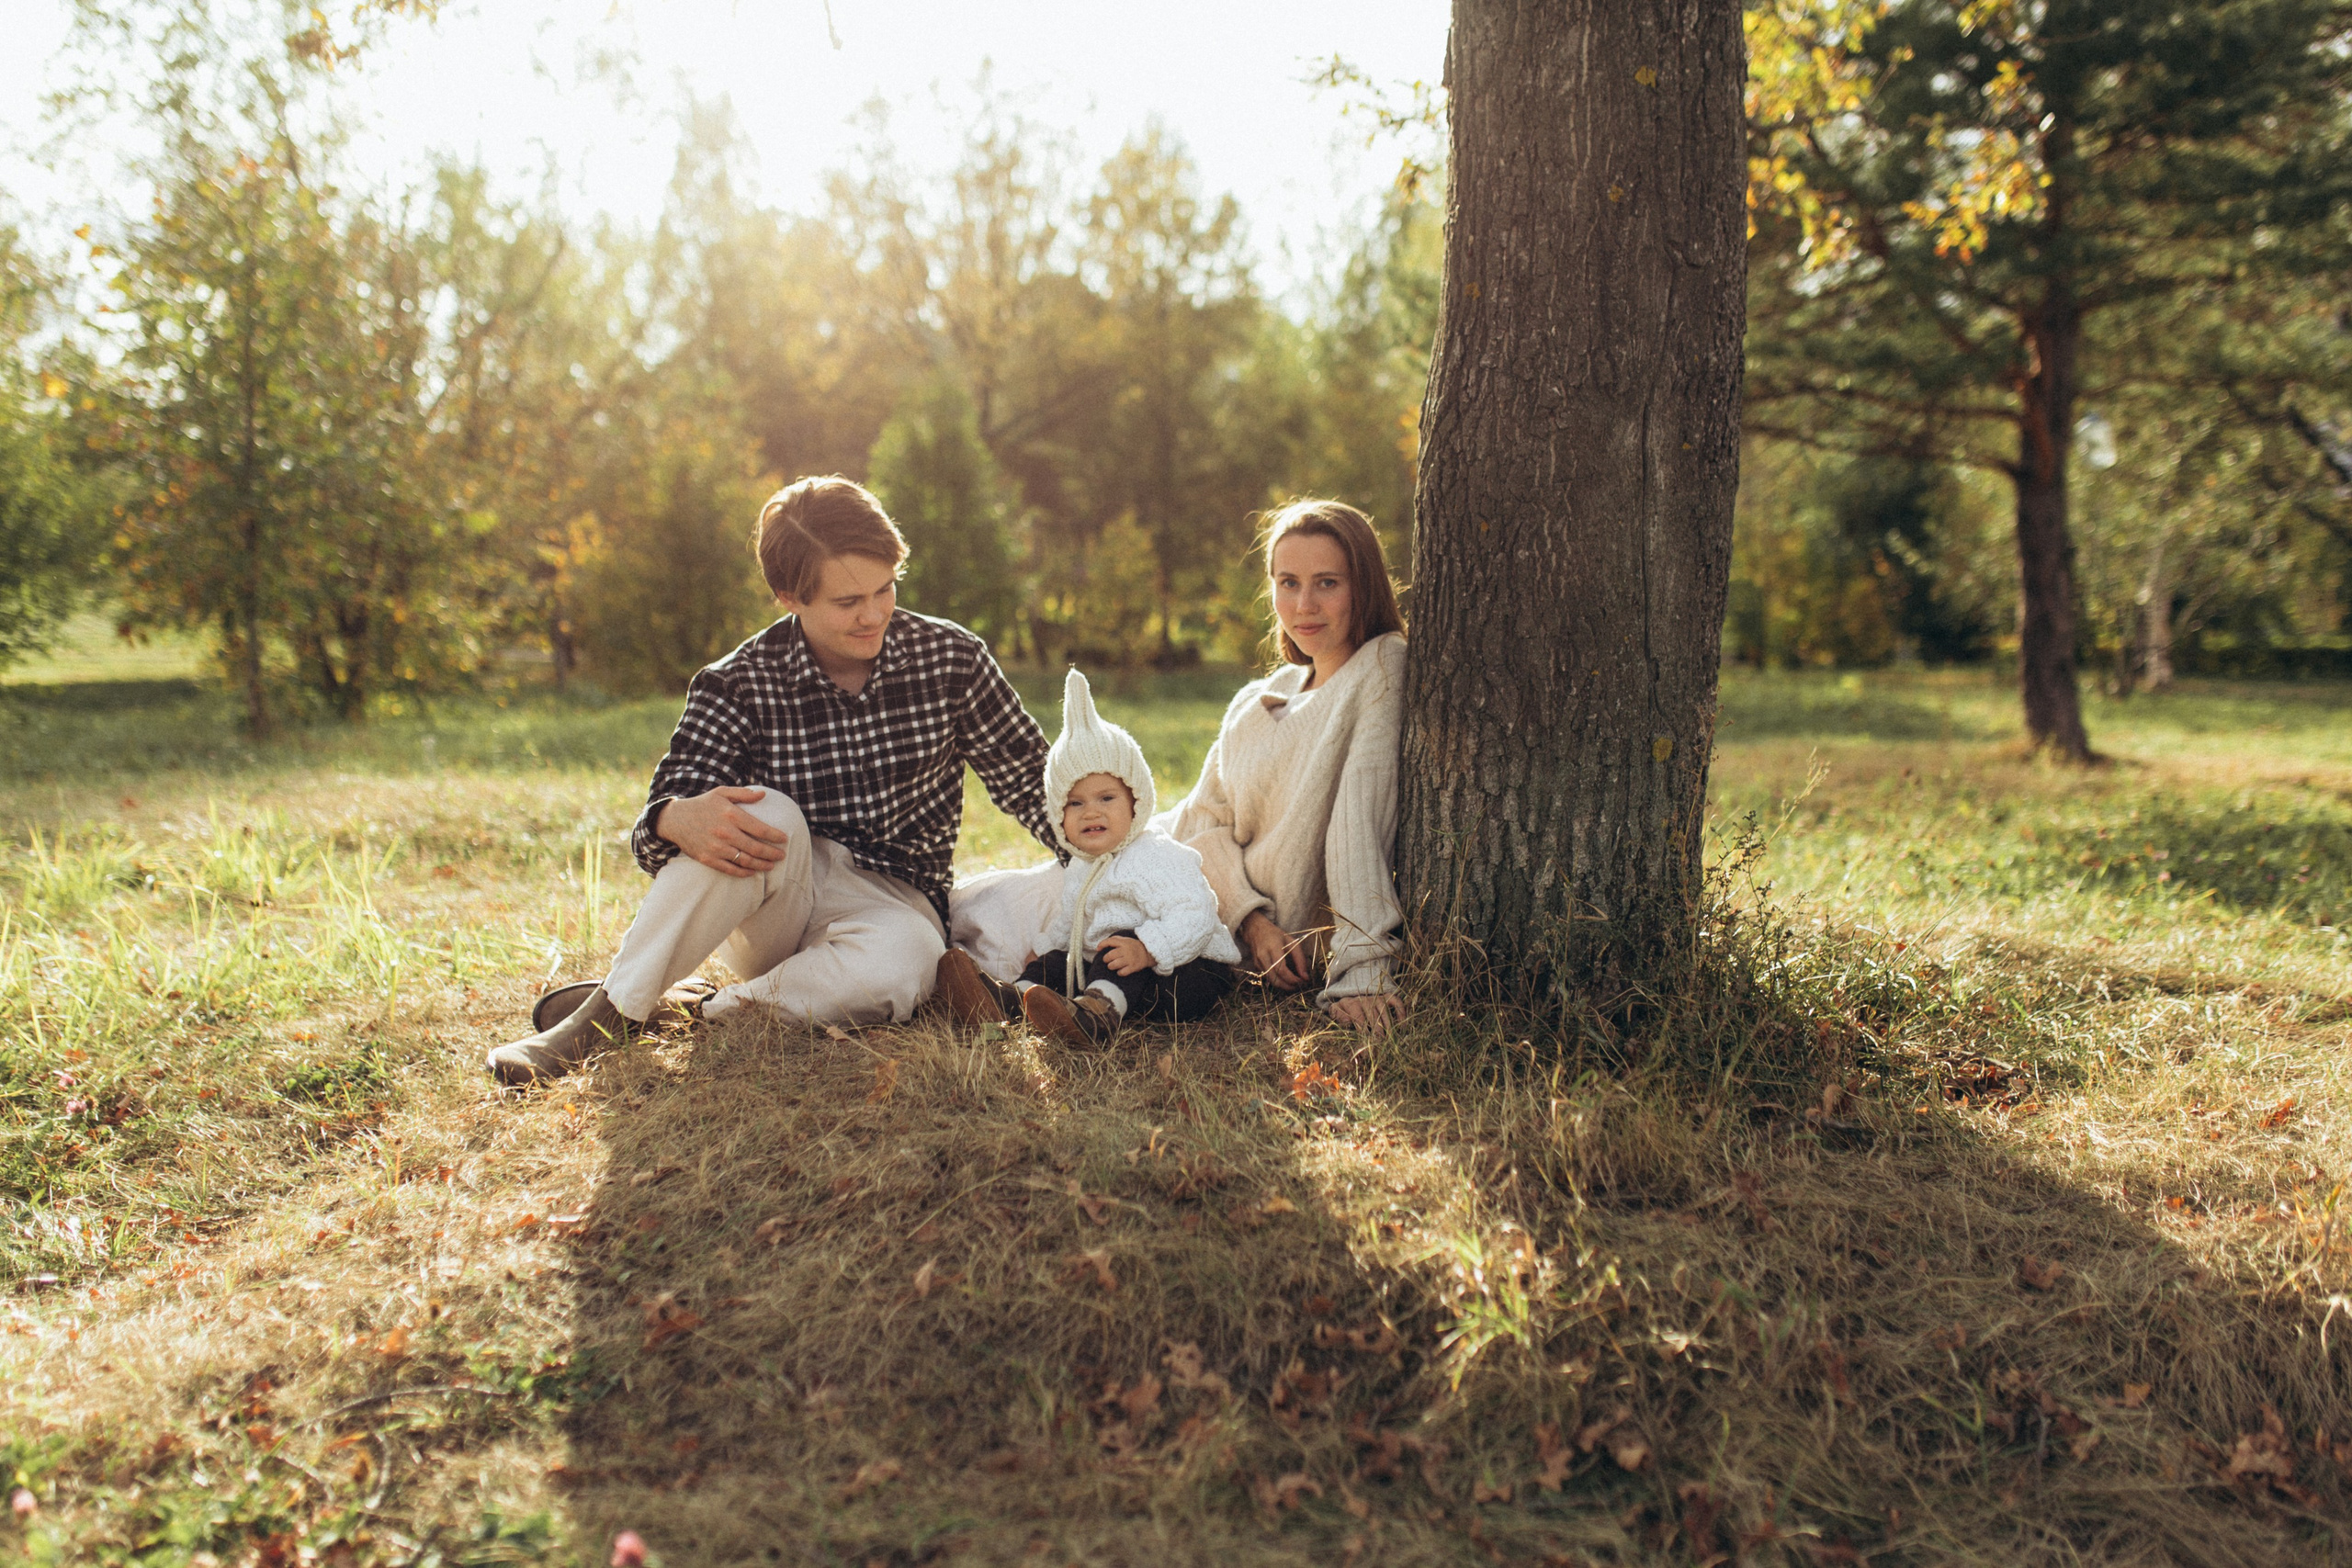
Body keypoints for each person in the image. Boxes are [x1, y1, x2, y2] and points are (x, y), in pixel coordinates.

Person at [487, 476, 1061, 1087]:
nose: (873, 614)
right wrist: (672, 817)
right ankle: (607, 1014)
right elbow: (669, 810)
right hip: (776, 903)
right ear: (790, 595)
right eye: (847, 602)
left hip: (894, 902)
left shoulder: (951, 658)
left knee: (913, 960)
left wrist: (1114, 863)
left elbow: (1032, 779)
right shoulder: (739, 680)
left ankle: (695, 1011)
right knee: (763, 813)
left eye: (885, 589)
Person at [1160, 500, 1408, 1032]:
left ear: (1364, 586)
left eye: (1327, 583)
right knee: (1031, 891)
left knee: (1057, 910)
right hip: (1184, 875)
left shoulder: (1381, 666)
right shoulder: (1258, 696)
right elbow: (1201, 823)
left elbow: (1359, 821)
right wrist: (1252, 922)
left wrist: (1364, 970)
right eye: (1288, 583)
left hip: (1198, 916)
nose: (1304, 605)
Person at [936, 669, 1238, 1047]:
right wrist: (1043, 952)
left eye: (1106, 798)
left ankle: (1096, 1018)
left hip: (1187, 974)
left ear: (1136, 801)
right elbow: (1070, 920)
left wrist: (1147, 948)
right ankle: (1011, 1001)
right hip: (1120, 975)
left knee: (1118, 942)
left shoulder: (1156, 855)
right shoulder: (1082, 866)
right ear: (1058, 815)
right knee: (1059, 959)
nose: (1091, 812)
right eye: (1075, 803)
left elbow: (1195, 914)